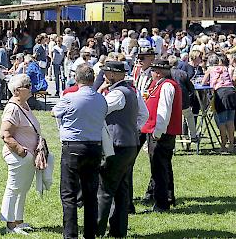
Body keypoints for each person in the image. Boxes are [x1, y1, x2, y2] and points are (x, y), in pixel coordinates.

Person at [52, 64, 107, 239]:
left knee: (69, 194)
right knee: (91, 193)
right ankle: (90, 233)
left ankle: (70, 234)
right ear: (93, 80)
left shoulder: (70, 98)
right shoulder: (101, 99)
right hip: (94, 147)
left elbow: (55, 112)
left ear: (76, 79)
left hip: (73, 146)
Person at [96, 61, 146, 237]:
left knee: (105, 189)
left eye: (106, 73)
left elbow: (97, 110)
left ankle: (97, 230)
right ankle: (118, 230)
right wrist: (133, 129)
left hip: (117, 145)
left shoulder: (116, 94)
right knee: (122, 189)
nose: (103, 76)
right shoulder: (132, 91)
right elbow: (144, 115)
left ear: (113, 75)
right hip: (129, 144)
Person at [140, 59, 182, 212]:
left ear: (157, 72)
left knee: (159, 169)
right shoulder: (162, 84)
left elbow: (163, 111)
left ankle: (161, 204)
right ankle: (166, 198)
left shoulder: (167, 86)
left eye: (152, 71)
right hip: (160, 132)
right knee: (163, 167)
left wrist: (158, 132)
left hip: (161, 133)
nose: (150, 73)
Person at [0, 74, 39, 234]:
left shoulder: (24, 105)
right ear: (16, 91)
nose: (30, 87)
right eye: (26, 86)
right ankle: (10, 225)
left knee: (23, 189)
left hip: (28, 156)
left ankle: (18, 221)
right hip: (18, 155)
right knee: (14, 188)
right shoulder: (12, 108)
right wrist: (22, 152)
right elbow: (5, 134)